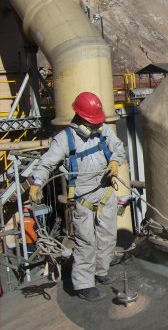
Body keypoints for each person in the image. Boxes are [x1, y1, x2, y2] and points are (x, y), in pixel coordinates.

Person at [29, 91, 126, 302]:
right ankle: (84, 284)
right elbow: (46, 163)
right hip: (83, 197)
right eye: (92, 122)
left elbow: (118, 148)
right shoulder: (65, 139)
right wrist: (37, 183)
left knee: (108, 236)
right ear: (80, 118)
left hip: (105, 191)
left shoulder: (103, 131)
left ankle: (101, 270)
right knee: (86, 241)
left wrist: (115, 162)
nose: (95, 126)